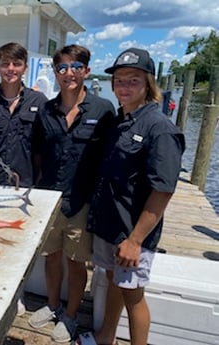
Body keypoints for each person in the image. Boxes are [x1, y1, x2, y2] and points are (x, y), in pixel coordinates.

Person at [85, 48, 185, 345]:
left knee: (134, 296)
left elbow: (163, 189)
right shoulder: (120, 121)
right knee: (114, 283)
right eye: (119, 80)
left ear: (148, 84)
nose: (124, 87)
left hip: (132, 232)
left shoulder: (160, 128)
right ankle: (106, 337)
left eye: (133, 80)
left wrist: (136, 240)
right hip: (111, 225)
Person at [28, 45, 116, 343]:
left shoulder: (103, 110)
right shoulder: (45, 111)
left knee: (77, 262)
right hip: (50, 199)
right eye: (62, 68)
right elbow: (38, 154)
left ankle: (71, 314)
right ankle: (53, 305)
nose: (69, 73)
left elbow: (109, 157)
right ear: (55, 73)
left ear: (87, 71)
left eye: (76, 66)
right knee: (51, 256)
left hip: (82, 201)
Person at [0, 42, 48, 187]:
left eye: (16, 64)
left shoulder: (39, 101)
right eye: (5, 64)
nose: (11, 69)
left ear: (25, 68)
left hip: (25, 184)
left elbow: (46, 145)